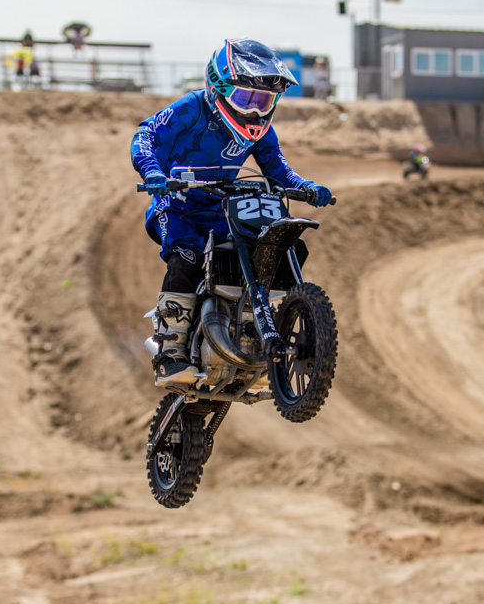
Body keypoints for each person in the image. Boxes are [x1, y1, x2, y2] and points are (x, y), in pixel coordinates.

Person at [131, 38, 333, 387]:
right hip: (177, 204)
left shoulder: (261, 130)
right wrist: (152, 171)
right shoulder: (193, 107)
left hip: (221, 207)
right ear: (218, 88)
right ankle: (170, 352)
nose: (254, 111)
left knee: (261, 251)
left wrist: (305, 187)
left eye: (263, 101)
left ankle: (255, 336)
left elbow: (278, 169)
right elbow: (147, 134)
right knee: (188, 257)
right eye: (245, 99)